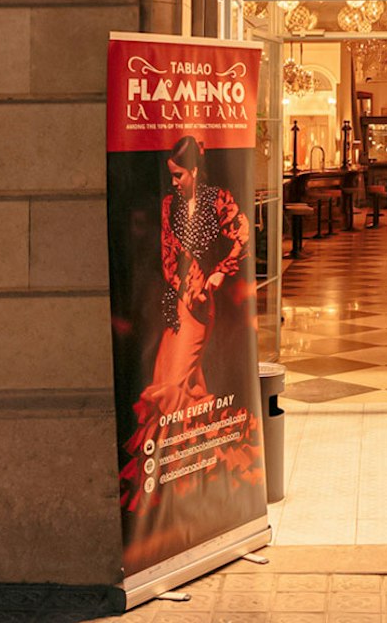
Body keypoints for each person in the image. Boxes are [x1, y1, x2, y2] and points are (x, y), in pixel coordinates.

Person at [120, 135, 252, 511]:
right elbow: (167, 254)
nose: (174, 183)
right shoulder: (168, 205)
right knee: (179, 382)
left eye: (179, 176)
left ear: (194, 170)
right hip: (175, 303)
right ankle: (192, 476)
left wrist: (220, 273)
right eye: (171, 177)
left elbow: (242, 235)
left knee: (171, 383)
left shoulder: (218, 200)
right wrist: (183, 287)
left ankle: (174, 479)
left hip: (201, 305)